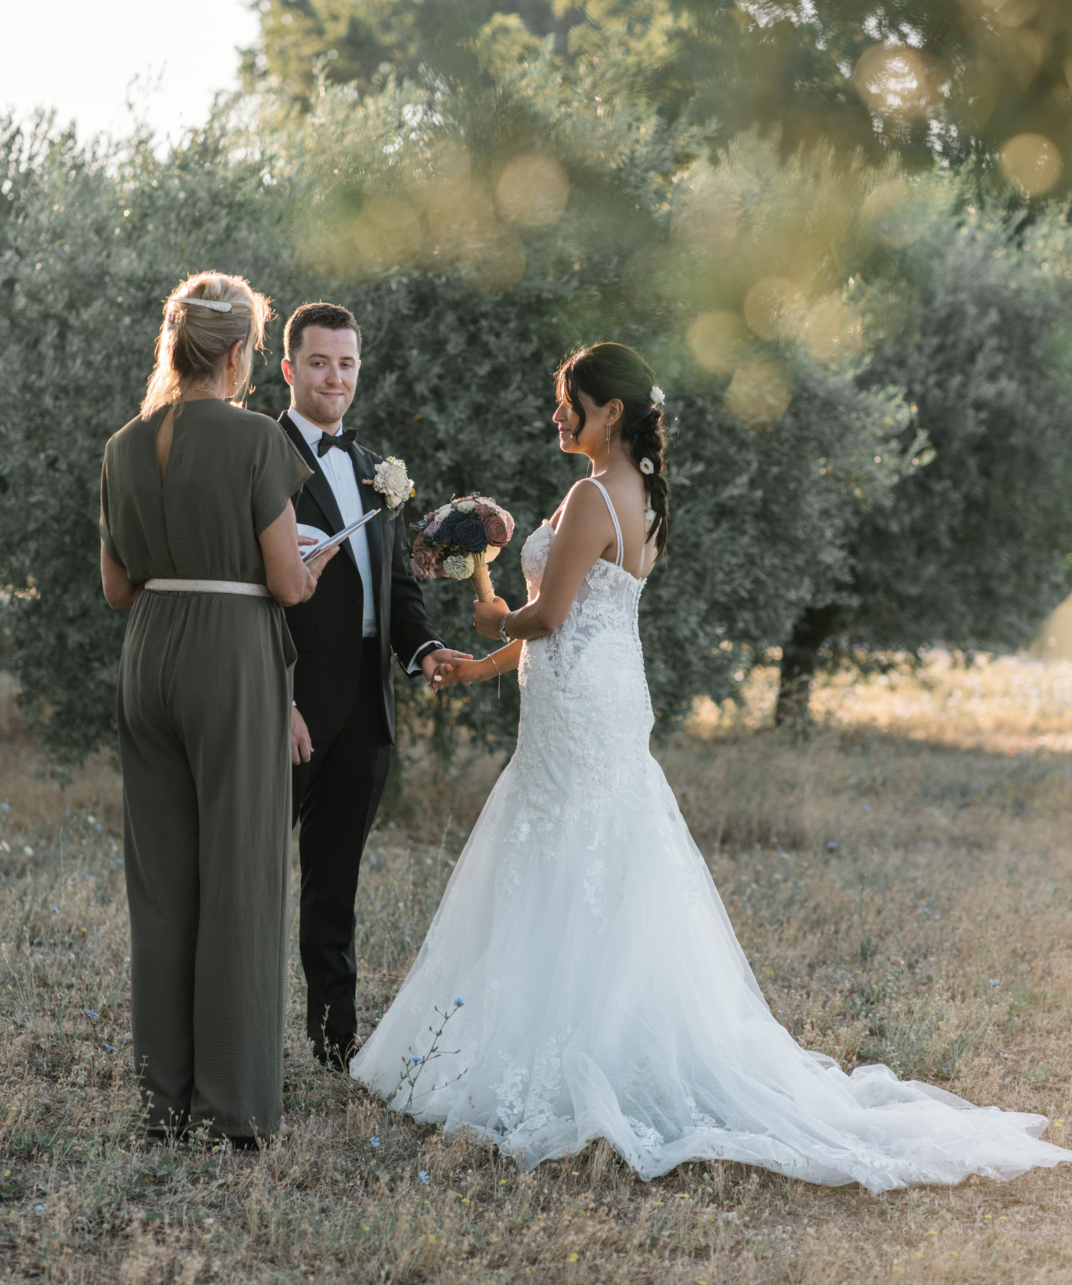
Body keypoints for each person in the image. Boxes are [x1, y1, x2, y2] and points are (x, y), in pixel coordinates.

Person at [350, 341, 1070, 1192]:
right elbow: (583, 626)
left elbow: (546, 621)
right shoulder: (640, 497)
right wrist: (478, 667)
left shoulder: (588, 495)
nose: (556, 415)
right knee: (597, 851)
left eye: (567, 400)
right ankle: (595, 1036)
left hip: (582, 701)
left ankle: (564, 1057)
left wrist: (484, 594)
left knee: (564, 845)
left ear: (608, 413)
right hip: (602, 693)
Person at [100, 272, 337, 1145]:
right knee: (239, 874)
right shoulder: (252, 441)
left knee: (161, 883)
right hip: (229, 650)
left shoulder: (124, 444)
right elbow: (285, 580)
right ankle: (232, 1108)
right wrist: (312, 566)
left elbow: (116, 587)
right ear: (240, 352)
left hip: (149, 649)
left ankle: (164, 1100)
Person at [277, 302, 470, 1070]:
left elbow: (394, 588)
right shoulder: (261, 458)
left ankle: (334, 1045)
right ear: (288, 369)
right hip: (284, 704)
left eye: (347, 363)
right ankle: (243, 1038)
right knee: (254, 874)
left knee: (335, 885)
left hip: (364, 705)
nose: (335, 377)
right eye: (320, 362)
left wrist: (421, 650)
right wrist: (279, 696)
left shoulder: (374, 466)